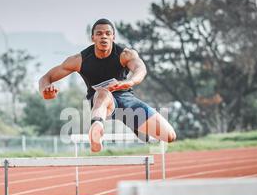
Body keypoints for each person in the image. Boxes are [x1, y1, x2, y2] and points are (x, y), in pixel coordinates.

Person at [39, 18, 176, 152]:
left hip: (126, 99)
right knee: (104, 93)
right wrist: (45, 90)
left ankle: (133, 123)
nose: (103, 37)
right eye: (99, 34)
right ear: (93, 38)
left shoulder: (125, 54)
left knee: (170, 136)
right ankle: (96, 130)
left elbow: (141, 69)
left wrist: (129, 82)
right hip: (101, 103)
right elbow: (46, 78)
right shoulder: (79, 60)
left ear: (113, 37)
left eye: (107, 33)